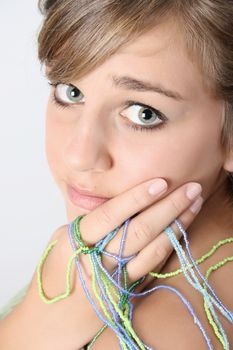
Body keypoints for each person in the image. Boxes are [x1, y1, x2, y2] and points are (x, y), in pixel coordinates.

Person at [0, 0, 233, 349]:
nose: (78, 156)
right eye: (70, 92)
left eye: (143, 113)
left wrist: (28, 335)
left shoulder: (142, 334)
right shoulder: (88, 267)